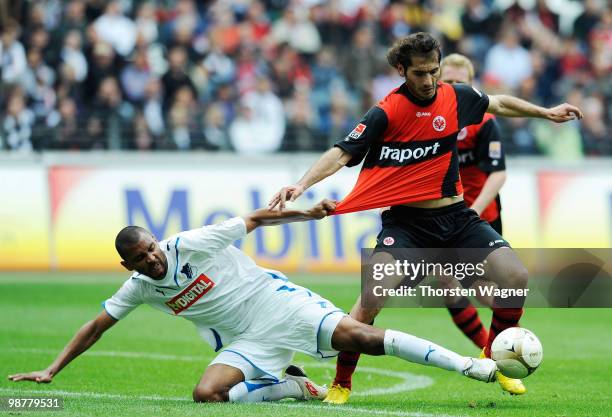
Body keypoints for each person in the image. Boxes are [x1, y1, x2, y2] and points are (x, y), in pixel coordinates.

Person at [268, 32, 583, 404]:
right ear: (401, 70)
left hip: (457, 218)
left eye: (434, 71)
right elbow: (340, 153)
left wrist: (545, 113)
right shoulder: (387, 111)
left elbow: (498, 104)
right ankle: (341, 383)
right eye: (420, 73)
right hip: (408, 226)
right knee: (372, 295)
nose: (430, 80)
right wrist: (301, 185)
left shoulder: (456, 97)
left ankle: (491, 359)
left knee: (516, 276)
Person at [9, 199, 498, 403]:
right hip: (245, 340)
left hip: (277, 303)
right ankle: (294, 389)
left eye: (152, 247)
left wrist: (306, 213)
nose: (153, 258)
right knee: (207, 396)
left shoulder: (190, 244)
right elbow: (96, 326)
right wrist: (52, 370)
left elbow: (256, 219)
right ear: (130, 267)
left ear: (158, 241)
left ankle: (467, 365)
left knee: (360, 336)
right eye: (142, 258)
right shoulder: (139, 287)